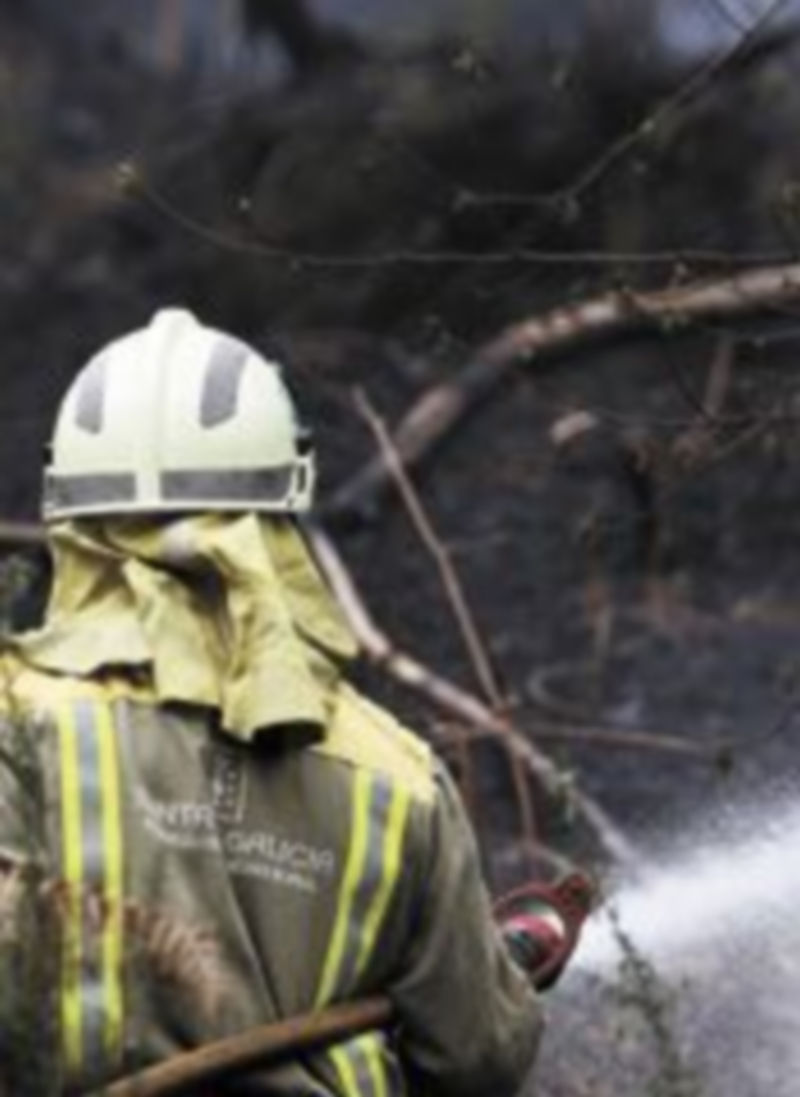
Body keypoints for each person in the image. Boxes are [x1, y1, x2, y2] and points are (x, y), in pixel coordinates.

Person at [0, 309, 587, 1096]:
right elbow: (477, 1056)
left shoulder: (16, 723)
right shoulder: (396, 777)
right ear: (285, 505)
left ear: (68, 511)